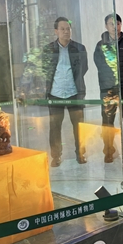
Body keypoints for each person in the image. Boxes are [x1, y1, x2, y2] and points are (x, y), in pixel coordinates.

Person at [42, 17, 88, 167]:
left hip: (75, 92)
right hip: (55, 93)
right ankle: (56, 156)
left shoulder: (79, 48)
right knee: (55, 127)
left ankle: (80, 153)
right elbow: (45, 69)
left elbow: (84, 68)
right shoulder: (48, 49)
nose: (66, 31)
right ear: (56, 31)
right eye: (62, 29)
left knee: (79, 125)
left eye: (68, 29)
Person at [94, 14, 123, 161]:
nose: (115, 26)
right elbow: (99, 65)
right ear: (106, 26)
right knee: (107, 121)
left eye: (117, 23)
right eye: (111, 24)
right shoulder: (100, 45)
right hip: (108, 88)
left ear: (121, 25)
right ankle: (108, 150)